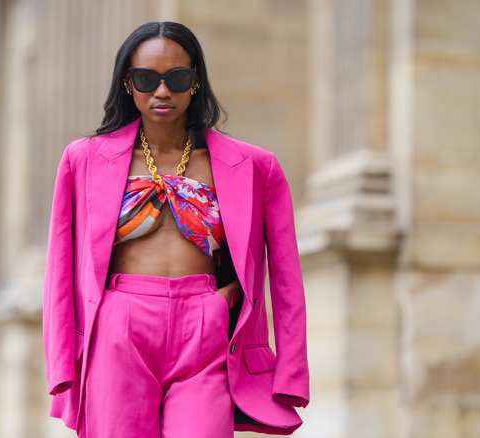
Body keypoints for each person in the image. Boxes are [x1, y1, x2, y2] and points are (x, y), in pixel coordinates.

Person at [43, 21, 309, 438]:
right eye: (147, 79)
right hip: (119, 326)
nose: (162, 92)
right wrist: (63, 361)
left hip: (206, 325)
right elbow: (59, 270)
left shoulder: (255, 166)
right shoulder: (84, 160)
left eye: (177, 78)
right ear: (128, 84)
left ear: (196, 81)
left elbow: (287, 279)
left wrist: (288, 367)